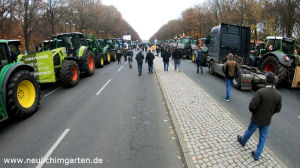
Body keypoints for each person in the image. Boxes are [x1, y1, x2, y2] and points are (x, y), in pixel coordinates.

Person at [237, 72, 281, 161]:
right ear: (274, 81)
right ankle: (257, 155)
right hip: (267, 120)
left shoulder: (261, 92)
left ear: (265, 80)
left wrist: (254, 112)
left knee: (249, 131)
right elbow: (278, 109)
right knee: (263, 138)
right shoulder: (278, 95)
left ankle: (243, 141)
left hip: (256, 118)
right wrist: (270, 113)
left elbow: (252, 106)